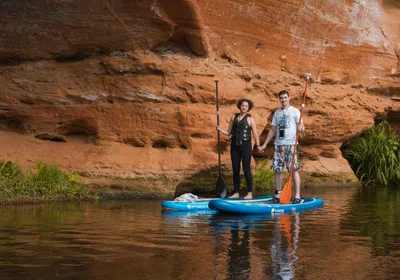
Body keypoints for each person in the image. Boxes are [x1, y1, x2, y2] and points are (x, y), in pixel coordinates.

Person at [258, 90, 304, 204]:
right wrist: (264, 144)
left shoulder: (295, 111)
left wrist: (301, 128)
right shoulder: (277, 113)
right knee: (277, 170)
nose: (283, 100)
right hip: (279, 145)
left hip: (291, 144)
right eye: (281, 98)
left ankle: (297, 195)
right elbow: (273, 130)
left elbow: (302, 125)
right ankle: (278, 193)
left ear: (289, 98)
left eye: (285, 97)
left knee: (294, 170)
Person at [217, 98, 260, 199]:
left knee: (246, 169)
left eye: (246, 106)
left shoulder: (250, 119)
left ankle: (249, 193)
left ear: (248, 108)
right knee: (235, 169)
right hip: (234, 146)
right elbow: (228, 132)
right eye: (242, 105)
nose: (244, 107)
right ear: (239, 106)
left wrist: (258, 146)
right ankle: (236, 192)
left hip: (246, 146)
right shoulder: (234, 117)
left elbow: (255, 134)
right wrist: (220, 130)